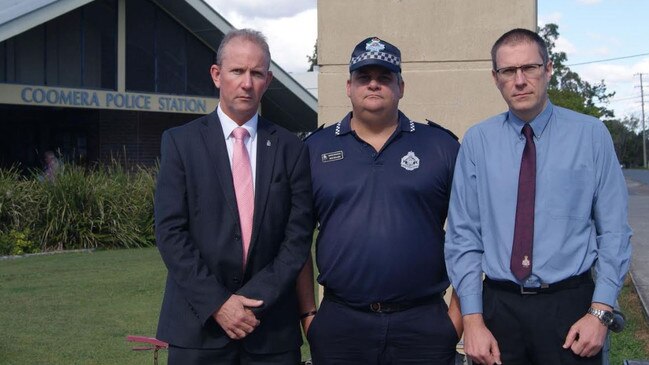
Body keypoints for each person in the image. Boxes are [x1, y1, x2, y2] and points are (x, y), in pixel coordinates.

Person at [444, 28, 632, 365]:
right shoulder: (478, 142)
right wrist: (472, 320)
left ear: (548, 69)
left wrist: (600, 312)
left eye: (529, 68)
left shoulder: (591, 135)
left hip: (571, 310)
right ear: (495, 78)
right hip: (498, 309)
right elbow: (463, 236)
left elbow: (614, 231)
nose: (519, 80)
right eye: (508, 71)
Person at [297, 36, 462, 365]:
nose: (374, 85)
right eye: (364, 77)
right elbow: (297, 239)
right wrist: (309, 315)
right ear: (348, 86)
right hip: (341, 323)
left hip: (424, 324)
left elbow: (469, 234)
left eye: (384, 77)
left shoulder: (440, 147)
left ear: (401, 86)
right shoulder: (314, 150)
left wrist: (455, 318)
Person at [154, 28, 314, 365]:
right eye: (237, 71)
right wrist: (219, 304)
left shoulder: (292, 149)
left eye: (256, 73)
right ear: (217, 75)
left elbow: (297, 238)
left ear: (268, 80)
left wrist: (249, 302)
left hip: (270, 331)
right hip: (198, 329)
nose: (247, 83)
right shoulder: (180, 143)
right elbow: (170, 233)